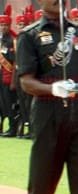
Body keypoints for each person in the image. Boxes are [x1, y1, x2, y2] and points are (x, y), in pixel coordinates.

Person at [18, 0, 78, 194]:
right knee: (43, 179)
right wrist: (52, 89)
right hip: (49, 112)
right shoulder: (29, 35)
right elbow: (26, 82)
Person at [11, 5, 34, 139]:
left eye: (23, 24)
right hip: (20, 75)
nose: (21, 26)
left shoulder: (30, 38)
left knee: (31, 104)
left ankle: (32, 129)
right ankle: (27, 128)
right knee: (24, 105)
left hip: (30, 75)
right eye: (19, 24)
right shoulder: (18, 38)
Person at [0, 4, 19, 138]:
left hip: (8, 79)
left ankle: (13, 129)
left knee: (10, 105)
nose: (3, 27)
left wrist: (13, 81)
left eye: (5, 25)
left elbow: (15, 63)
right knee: (2, 105)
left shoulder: (12, 41)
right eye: (1, 25)